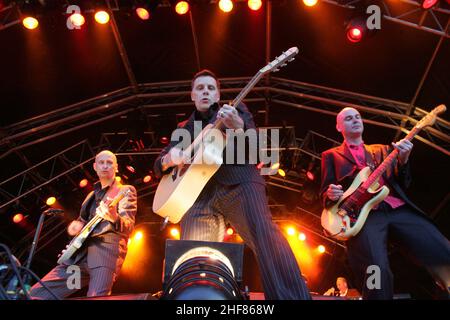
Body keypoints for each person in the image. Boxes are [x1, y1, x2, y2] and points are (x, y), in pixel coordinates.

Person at [154, 69, 310, 300]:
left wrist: (239, 127)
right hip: (198, 195)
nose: (205, 91)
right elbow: (159, 164)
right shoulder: (184, 127)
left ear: (218, 95)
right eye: (200, 88)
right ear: (192, 96)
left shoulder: (237, 111)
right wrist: (170, 158)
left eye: (210, 88)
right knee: (196, 255)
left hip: (239, 183)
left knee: (265, 237)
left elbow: (260, 152)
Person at [320, 107, 450, 299]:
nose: (355, 120)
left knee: (440, 247)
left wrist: (404, 159)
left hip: (395, 206)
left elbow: (403, 182)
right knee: (375, 269)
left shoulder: (381, 149)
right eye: (348, 118)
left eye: (358, 117)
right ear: (338, 126)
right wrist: (330, 193)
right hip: (363, 216)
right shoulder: (330, 155)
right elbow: (324, 190)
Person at [29, 150, 137, 299]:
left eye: (109, 162)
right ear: (95, 167)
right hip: (77, 257)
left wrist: (114, 217)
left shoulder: (125, 191)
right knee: (36, 294)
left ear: (116, 167)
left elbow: (129, 226)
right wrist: (75, 227)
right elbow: (82, 221)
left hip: (104, 254)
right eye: (101, 162)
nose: (105, 166)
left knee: (95, 297)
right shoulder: (90, 196)